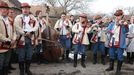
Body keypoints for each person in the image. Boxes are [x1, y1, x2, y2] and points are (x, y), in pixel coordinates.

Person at [14, 3, 39, 75]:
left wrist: (31, 32)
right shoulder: (18, 17)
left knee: (29, 55)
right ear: (21, 9)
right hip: (21, 39)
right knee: (21, 56)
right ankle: (21, 71)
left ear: (29, 9)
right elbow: (17, 27)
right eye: (24, 8)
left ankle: (27, 69)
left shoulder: (33, 17)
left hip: (30, 39)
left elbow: (36, 26)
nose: (25, 10)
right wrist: (25, 33)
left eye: (27, 8)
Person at [105, 9, 129, 75]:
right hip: (112, 41)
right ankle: (111, 67)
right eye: (116, 15)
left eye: (118, 15)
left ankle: (118, 70)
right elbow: (107, 30)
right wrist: (110, 32)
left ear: (122, 15)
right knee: (111, 54)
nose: (117, 17)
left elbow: (126, 31)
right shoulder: (112, 23)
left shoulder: (124, 23)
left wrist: (125, 25)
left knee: (120, 56)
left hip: (120, 42)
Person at [0, 1, 16, 75]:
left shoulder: (10, 20)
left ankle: (5, 72)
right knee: (1, 61)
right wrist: (8, 40)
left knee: (7, 61)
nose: (4, 10)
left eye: (6, 9)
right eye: (2, 9)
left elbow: (14, 31)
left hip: (9, 43)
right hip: (1, 44)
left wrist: (13, 39)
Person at [8, 7, 16, 73]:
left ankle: (10, 65)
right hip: (8, 39)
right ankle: (6, 67)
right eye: (11, 12)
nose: (12, 13)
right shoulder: (7, 19)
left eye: (12, 12)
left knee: (11, 54)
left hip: (13, 38)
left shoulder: (13, 20)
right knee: (7, 53)